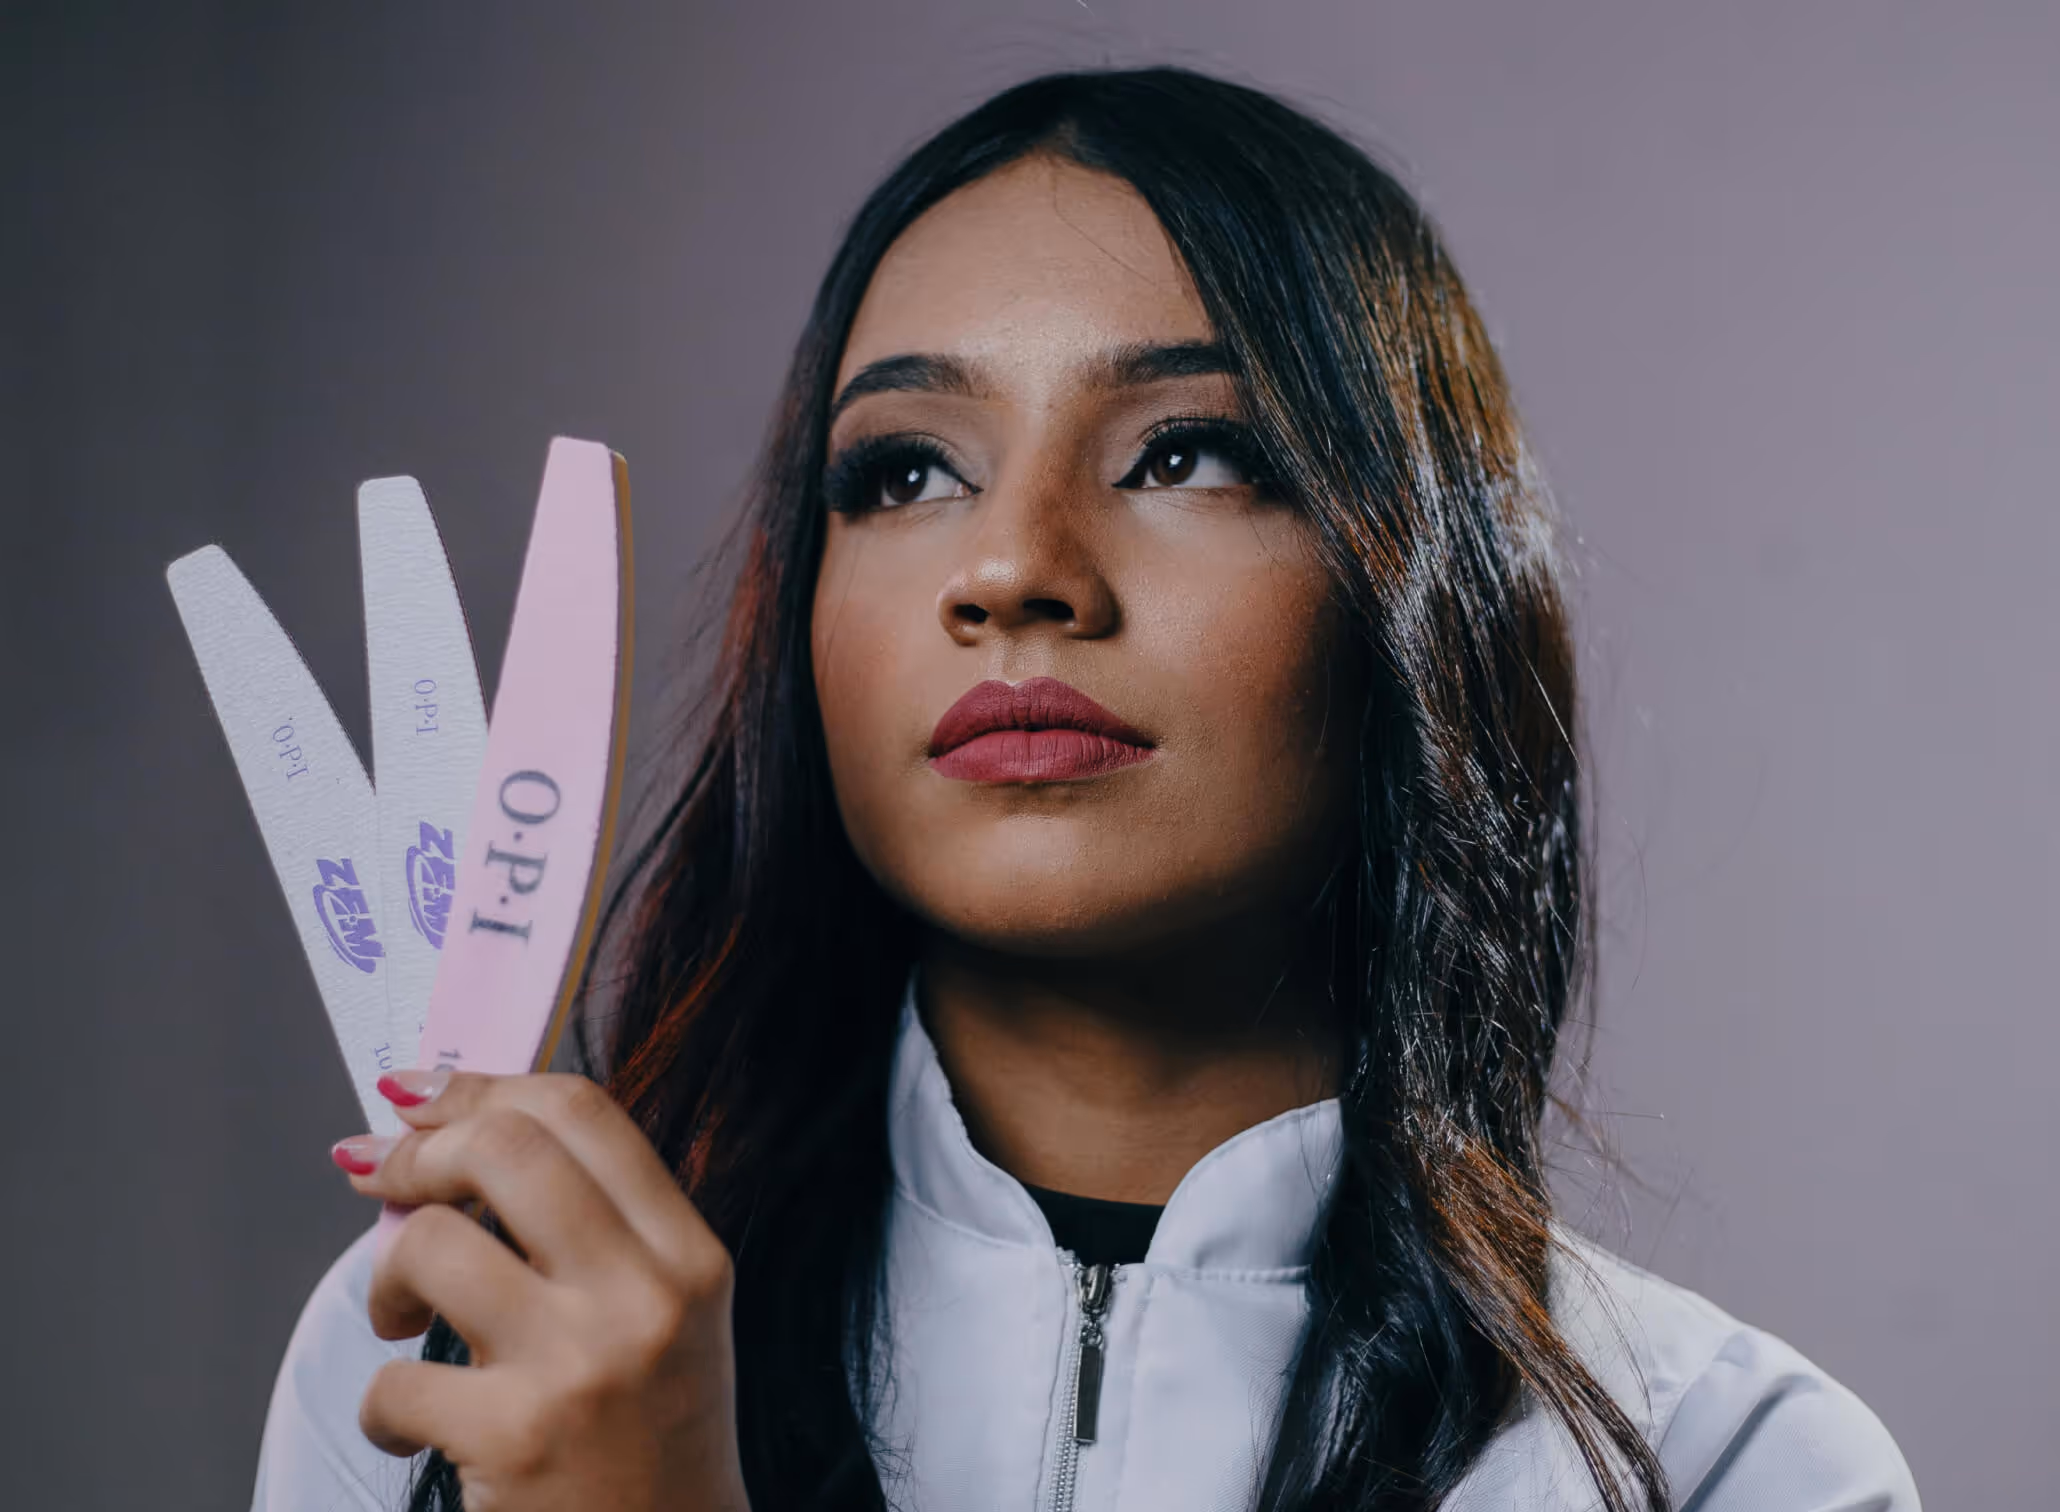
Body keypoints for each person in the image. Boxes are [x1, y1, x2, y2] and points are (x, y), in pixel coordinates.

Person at [251, 66, 1920, 1512]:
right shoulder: (447, 1347)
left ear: (1415, 591)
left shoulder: (1717, 1463)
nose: (1012, 569)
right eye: (906, 470)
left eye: (1185, 452)